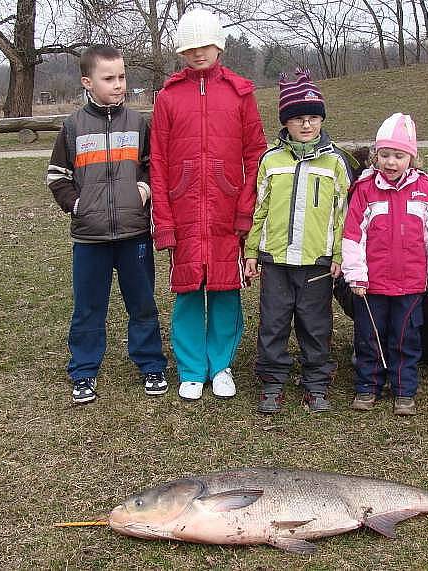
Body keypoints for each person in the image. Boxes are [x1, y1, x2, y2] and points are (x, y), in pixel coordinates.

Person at [150, 9, 266, 401]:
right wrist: (163, 221)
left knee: (225, 289)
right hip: (183, 213)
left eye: (205, 46)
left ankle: (221, 365)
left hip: (226, 210)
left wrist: (244, 210)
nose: (199, 54)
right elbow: (159, 162)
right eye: (191, 48)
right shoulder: (168, 97)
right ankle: (191, 368)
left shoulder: (240, 94)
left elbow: (256, 156)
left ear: (218, 45)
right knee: (186, 291)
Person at [47, 45, 168, 404]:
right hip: (90, 238)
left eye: (122, 77)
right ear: (87, 82)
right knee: (88, 307)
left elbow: (151, 165)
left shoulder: (137, 123)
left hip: (134, 234)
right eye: (109, 78)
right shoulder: (72, 127)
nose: (118, 84)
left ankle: (151, 364)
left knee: (143, 302)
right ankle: (83, 371)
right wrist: (78, 204)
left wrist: (143, 188)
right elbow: (57, 176)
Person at [244, 69, 352, 414]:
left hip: (316, 262)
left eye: (312, 118)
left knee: (315, 324)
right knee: (273, 322)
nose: (306, 125)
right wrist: (251, 251)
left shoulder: (334, 163)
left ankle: (316, 382)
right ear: (285, 123)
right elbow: (258, 208)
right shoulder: (270, 160)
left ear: (321, 121)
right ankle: (273, 380)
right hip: (275, 261)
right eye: (298, 119)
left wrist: (337, 254)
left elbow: (342, 214)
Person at [342, 113, 428, 416]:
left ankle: (404, 389)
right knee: (369, 335)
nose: (391, 162)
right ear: (376, 156)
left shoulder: (425, 191)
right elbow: (353, 236)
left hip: (411, 284)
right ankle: (368, 385)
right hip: (372, 284)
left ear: (411, 158)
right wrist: (356, 275)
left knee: (406, 337)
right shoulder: (365, 190)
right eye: (385, 155)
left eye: (399, 156)